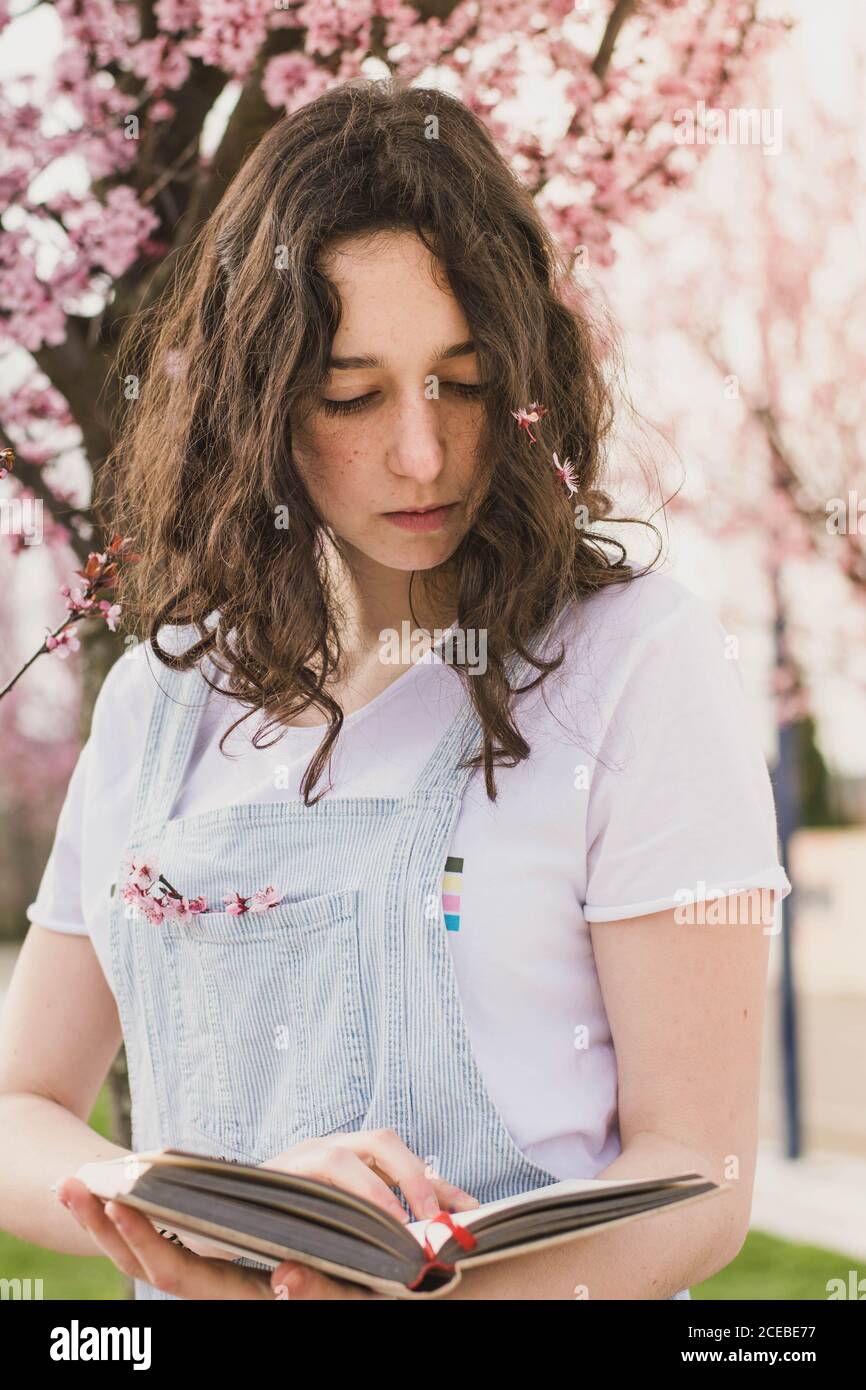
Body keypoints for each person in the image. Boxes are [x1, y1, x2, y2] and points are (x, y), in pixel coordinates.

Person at [0, 78, 791, 1301]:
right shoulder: (158, 702)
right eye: (350, 395)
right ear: (256, 402)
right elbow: (22, 1106)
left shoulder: (631, 663)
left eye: (463, 383)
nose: (420, 454)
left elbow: (700, 1178)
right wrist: (187, 1207)